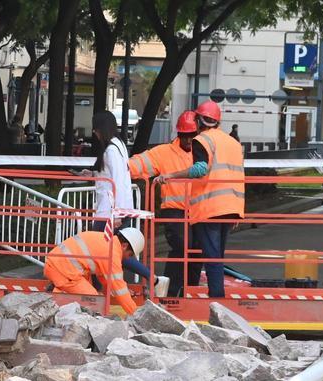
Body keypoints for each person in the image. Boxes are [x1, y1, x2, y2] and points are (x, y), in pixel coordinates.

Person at [175, 100, 244, 298]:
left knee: (212, 257)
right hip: (232, 206)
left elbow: (200, 169)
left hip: (210, 208)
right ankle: (217, 298)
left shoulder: (202, 140)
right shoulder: (232, 142)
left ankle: (216, 300)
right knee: (217, 256)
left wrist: (171, 176)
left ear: (199, 120)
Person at [128, 110, 199, 297]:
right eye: (185, 135)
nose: (189, 140)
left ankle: (190, 291)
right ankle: (170, 292)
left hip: (198, 211)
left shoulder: (203, 152)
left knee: (197, 251)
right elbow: (139, 163)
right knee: (182, 247)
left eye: (192, 135)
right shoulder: (164, 152)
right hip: (174, 211)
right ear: (179, 134)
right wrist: (119, 167)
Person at [44, 227, 145, 314]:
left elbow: (106, 279)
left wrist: (122, 291)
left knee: (93, 298)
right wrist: (135, 313)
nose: (128, 258)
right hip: (63, 270)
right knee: (93, 301)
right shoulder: (112, 254)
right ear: (124, 246)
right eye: (130, 255)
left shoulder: (107, 241)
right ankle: (55, 295)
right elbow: (119, 288)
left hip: (61, 266)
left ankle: (56, 293)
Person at [84, 110, 132, 234]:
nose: (94, 132)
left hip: (109, 211)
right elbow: (114, 176)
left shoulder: (111, 150)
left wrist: (117, 214)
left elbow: (118, 181)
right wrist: (94, 174)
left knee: (102, 249)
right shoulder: (119, 145)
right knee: (116, 250)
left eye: (96, 128)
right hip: (116, 210)